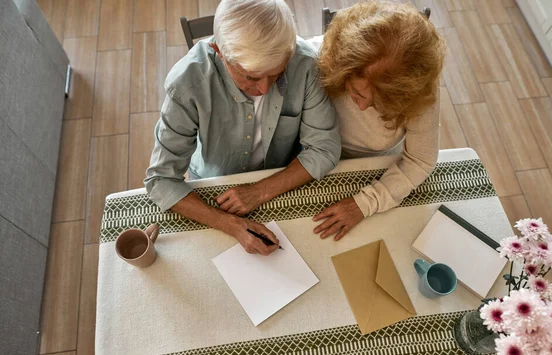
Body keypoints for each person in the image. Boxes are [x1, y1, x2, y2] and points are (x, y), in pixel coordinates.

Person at [145, 0, 340, 255]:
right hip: (214, 188)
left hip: (282, 178)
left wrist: (259, 191)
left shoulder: (305, 64)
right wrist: (232, 225)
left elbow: (324, 149)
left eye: (277, 74)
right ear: (219, 52)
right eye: (251, 77)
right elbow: (161, 180)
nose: (264, 89)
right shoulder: (187, 84)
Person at [310, 1, 445, 241]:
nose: (361, 107)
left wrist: (363, 204)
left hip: (374, 166)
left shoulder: (419, 90)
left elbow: (421, 160)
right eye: (356, 93)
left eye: (377, 105)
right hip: (311, 154)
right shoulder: (318, 58)